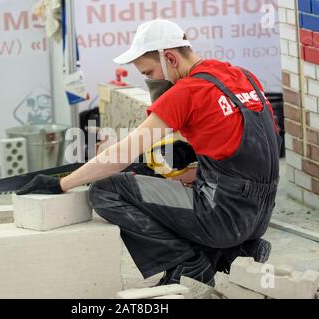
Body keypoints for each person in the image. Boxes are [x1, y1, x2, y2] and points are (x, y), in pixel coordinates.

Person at [16, 19, 282, 286]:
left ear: (170, 58)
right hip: (259, 216)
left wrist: (63, 183)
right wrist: (186, 173)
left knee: (108, 189)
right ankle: (234, 252)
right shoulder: (243, 77)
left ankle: (189, 264)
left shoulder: (187, 92)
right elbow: (251, 154)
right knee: (149, 178)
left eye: (149, 72)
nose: (150, 80)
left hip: (220, 217)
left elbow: (122, 155)